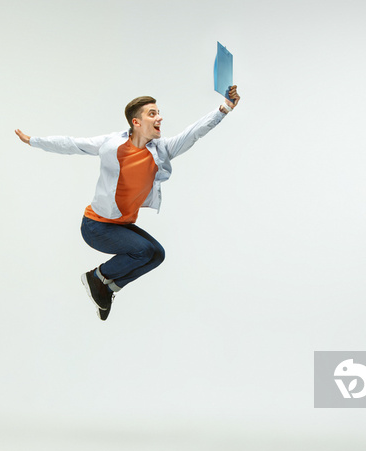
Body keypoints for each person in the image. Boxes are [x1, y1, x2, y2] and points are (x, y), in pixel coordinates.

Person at [15, 85, 240, 321]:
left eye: (158, 112)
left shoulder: (162, 150)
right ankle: (97, 276)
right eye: (152, 113)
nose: (159, 117)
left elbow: (194, 132)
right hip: (96, 226)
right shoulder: (112, 144)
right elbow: (72, 144)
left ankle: (108, 288)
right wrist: (33, 141)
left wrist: (224, 108)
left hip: (121, 225)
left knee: (157, 255)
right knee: (143, 251)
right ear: (136, 122)